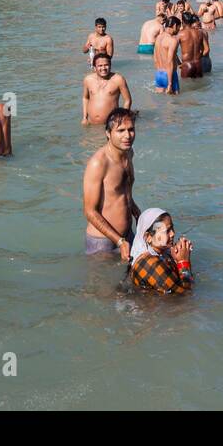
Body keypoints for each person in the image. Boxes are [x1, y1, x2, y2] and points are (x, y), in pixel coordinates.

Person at [82, 108, 140, 258]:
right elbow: (90, 212)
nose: (127, 135)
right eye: (120, 131)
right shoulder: (98, 163)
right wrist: (119, 241)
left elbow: (123, 194)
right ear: (108, 133)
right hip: (103, 243)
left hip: (127, 236)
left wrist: (139, 216)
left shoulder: (129, 153)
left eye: (131, 129)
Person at [129, 208, 194, 294]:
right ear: (148, 237)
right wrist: (183, 261)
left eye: (172, 228)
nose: (173, 234)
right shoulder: (150, 263)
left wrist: (175, 259)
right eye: (167, 231)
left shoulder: (161, 252)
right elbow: (185, 295)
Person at [83, 52, 133, 125]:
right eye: (100, 65)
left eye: (106, 65)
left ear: (110, 65)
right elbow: (85, 98)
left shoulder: (118, 79)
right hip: (91, 123)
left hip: (111, 123)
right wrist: (84, 117)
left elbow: (127, 100)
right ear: (94, 67)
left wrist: (123, 118)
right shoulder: (88, 79)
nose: (103, 68)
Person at [153, 16, 182, 94]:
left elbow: (155, 57)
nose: (179, 30)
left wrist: (179, 63)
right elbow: (169, 62)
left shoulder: (158, 38)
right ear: (175, 25)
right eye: (179, 27)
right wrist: (170, 83)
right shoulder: (173, 40)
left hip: (159, 74)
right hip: (169, 75)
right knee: (174, 103)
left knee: (160, 103)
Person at [178, 12, 205, 79]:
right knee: (200, 88)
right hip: (198, 64)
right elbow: (205, 49)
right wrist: (199, 58)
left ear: (183, 21)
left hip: (187, 65)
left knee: (186, 88)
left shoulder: (180, 34)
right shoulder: (200, 32)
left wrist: (179, 64)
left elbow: (173, 51)